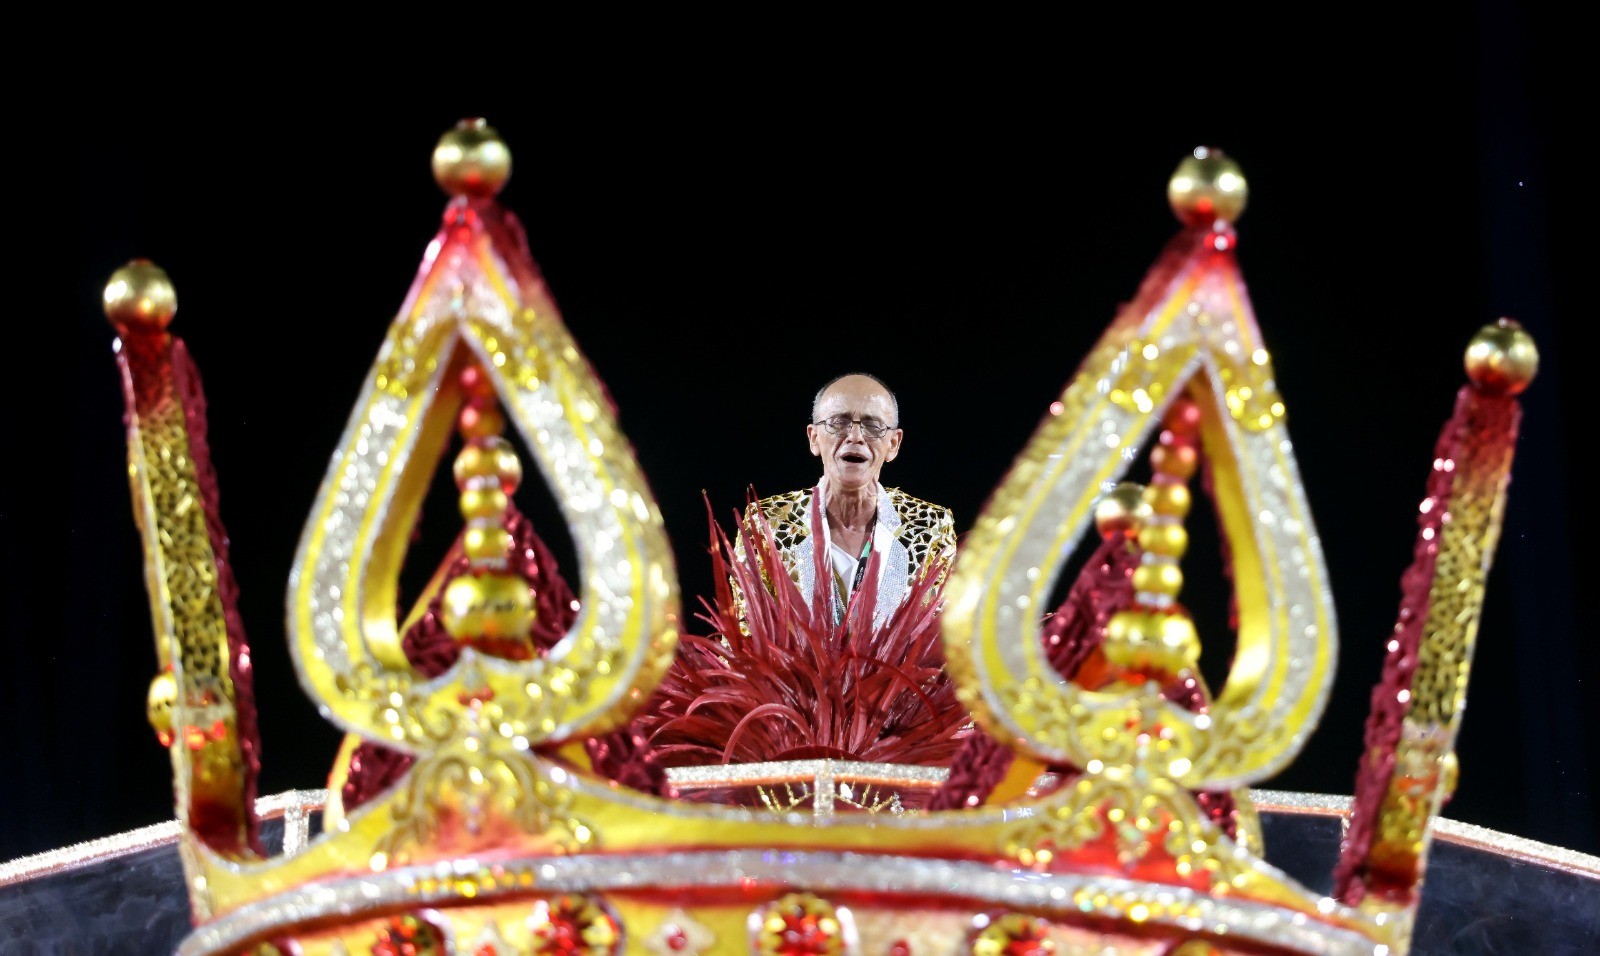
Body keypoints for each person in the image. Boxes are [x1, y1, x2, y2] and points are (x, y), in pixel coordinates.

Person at [735, 372, 957, 628]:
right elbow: (743, 638)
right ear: (814, 438)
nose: (855, 436)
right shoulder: (767, 524)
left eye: (873, 425)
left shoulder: (929, 526)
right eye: (838, 423)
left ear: (893, 444)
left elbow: (942, 642)